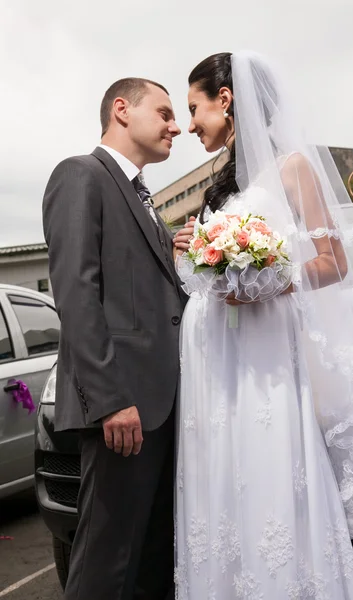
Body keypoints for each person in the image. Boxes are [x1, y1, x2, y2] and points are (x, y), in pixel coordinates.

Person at [173, 51, 353, 599]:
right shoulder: (221, 181)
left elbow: (333, 262)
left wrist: (267, 274)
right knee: (220, 476)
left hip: (263, 353)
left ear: (225, 101)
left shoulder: (292, 167)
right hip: (214, 356)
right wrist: (197, 248)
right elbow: (217, 268)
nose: (189, 125)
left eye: (194, 108)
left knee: (266, 467)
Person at [43, 77, 184, 600]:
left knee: (151, 557)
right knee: (107, 560)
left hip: (162, 407)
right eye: (166, 113)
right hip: (123, 407)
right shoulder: (81, 175)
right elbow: (78, 294)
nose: (177, 126)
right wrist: (110, 400)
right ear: (122, 110)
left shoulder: (142, 195)